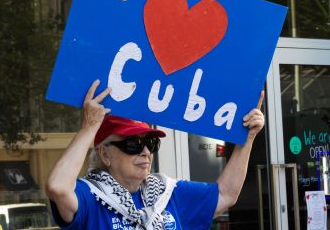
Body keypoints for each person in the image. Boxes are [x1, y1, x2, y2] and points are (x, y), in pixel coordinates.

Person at [46, 79, 265, 230]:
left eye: (150, 143)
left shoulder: (166, 193)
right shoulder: (90, 197)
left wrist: (247, 140)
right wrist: (89, 128)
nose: (145, 151)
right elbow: (58, 187)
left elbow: (226, 195)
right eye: (132, 144)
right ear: (105, 154)